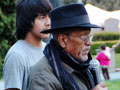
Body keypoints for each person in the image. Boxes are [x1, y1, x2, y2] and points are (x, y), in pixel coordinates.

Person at [27, 4, 108, 90]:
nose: (89, 42)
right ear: (63, 40)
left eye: (90, 36)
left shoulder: (82, 66)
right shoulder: (42, 76)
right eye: (84, 36)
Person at [3, 0, 52, 90]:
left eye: (49, 16)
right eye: (41, 17)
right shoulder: (16, 55)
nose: (48, 22)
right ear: (27, 20)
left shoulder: (49, 50)